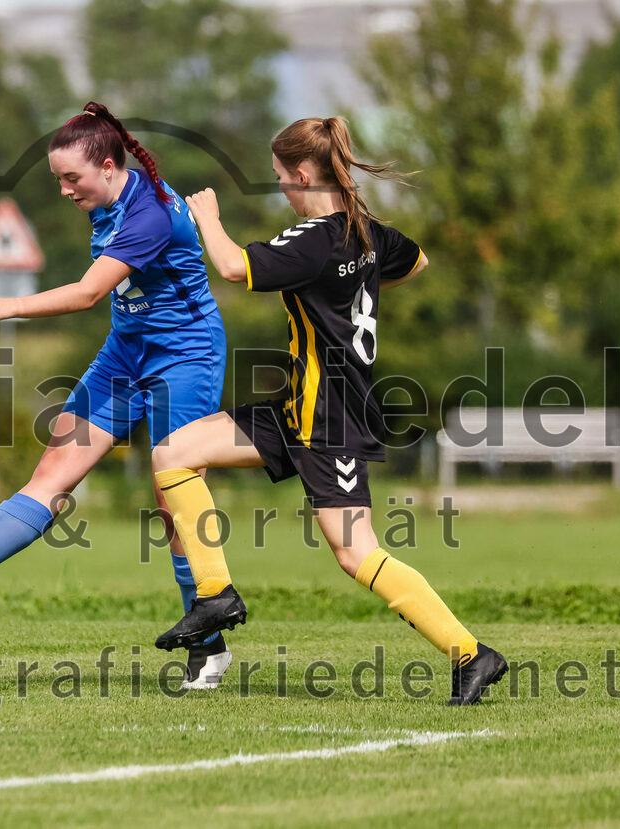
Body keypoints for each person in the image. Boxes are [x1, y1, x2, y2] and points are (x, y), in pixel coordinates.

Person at [149, 116, 507, 705]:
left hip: (330, 419)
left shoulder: (315, 240)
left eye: (280, 180)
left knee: (356, 551)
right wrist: (352, 290)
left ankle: (471, 655)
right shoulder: (366, 232)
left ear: (304, 173)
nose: (282, 191)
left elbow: (236, 267)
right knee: (175, 452)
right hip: (297, 406)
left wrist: (207, 217)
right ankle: (215, 595)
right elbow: (415, 264)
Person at [0, 102, 232, 689]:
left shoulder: (149, 213)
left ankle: (209, 643)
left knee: (171, 496)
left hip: (186, 357)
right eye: (57, 180)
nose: (66, 190)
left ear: (106, 165)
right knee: (54, 467)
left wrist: (8, 305)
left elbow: (86, 294)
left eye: (72, 178)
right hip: (125, 355)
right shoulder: (110, 193)